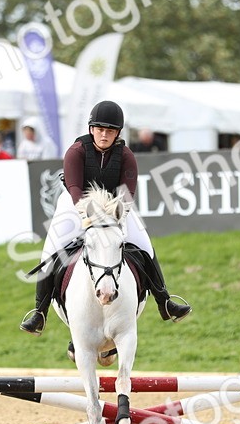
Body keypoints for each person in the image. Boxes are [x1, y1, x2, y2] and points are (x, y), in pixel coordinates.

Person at [19, 100, 192, 335]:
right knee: (50, 252)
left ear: (117, 133)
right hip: (75, 207)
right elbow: (74, 188)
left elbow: (127, 193)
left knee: (145, 246)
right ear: (91, 129)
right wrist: (88, 215)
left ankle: (165, 302)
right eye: (100, 129)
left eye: (110, 131)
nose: (104, 135)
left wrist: (117, 213)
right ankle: (39, 312)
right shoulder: (76, 152)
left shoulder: (126, 156)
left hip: (113, 208)